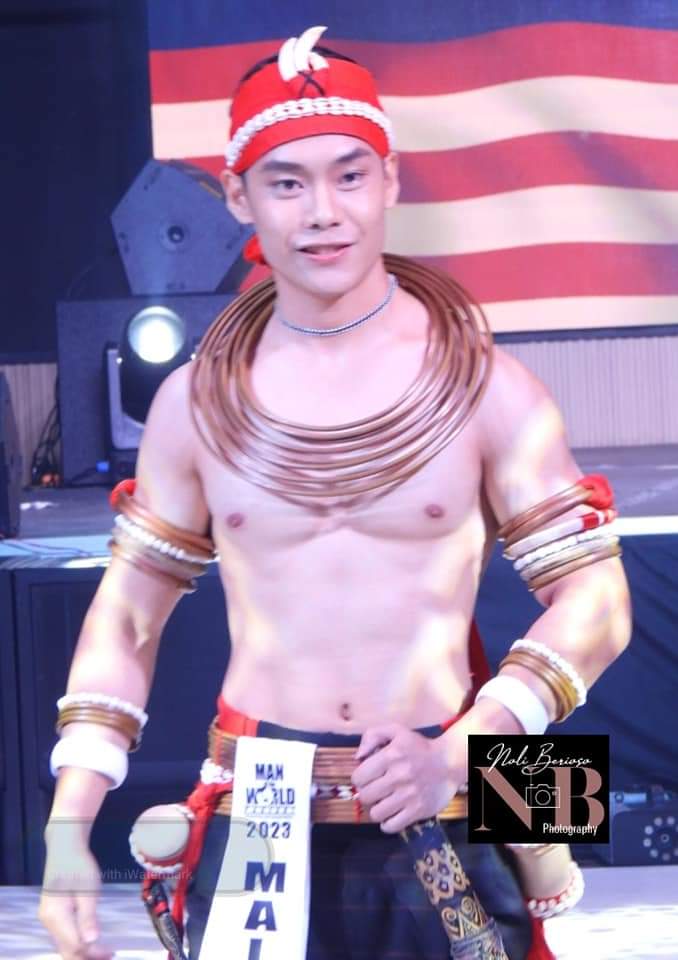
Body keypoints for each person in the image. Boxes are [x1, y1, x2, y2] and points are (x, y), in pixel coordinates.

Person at [39, 26, 631, 960]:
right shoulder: (195, 405)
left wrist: (469, 747)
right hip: (260, 794)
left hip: (446, 783)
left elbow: (601, 599)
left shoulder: (488, 387)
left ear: (389, 181)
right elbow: (127, 616)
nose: (323, 212)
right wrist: (68, 825)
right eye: (287, 183)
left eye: (349, 176)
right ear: (239, 196)